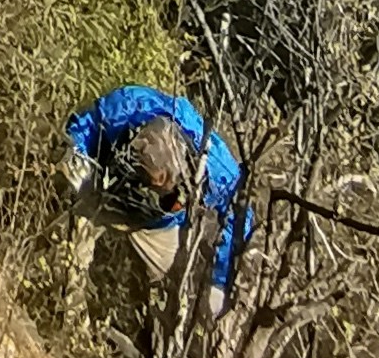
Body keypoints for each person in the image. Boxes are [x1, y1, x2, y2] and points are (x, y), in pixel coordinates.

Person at [62, 82, 250, 312]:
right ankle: (67, 310)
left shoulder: (219, 170)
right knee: (70, 244)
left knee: (189, 296)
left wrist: (220, 279)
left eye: (166, 193)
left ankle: (149, 329)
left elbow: (241, 218)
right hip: (108, 186)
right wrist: (77, 153)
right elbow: (86, 124)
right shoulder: (129, 107)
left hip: (161, 224)